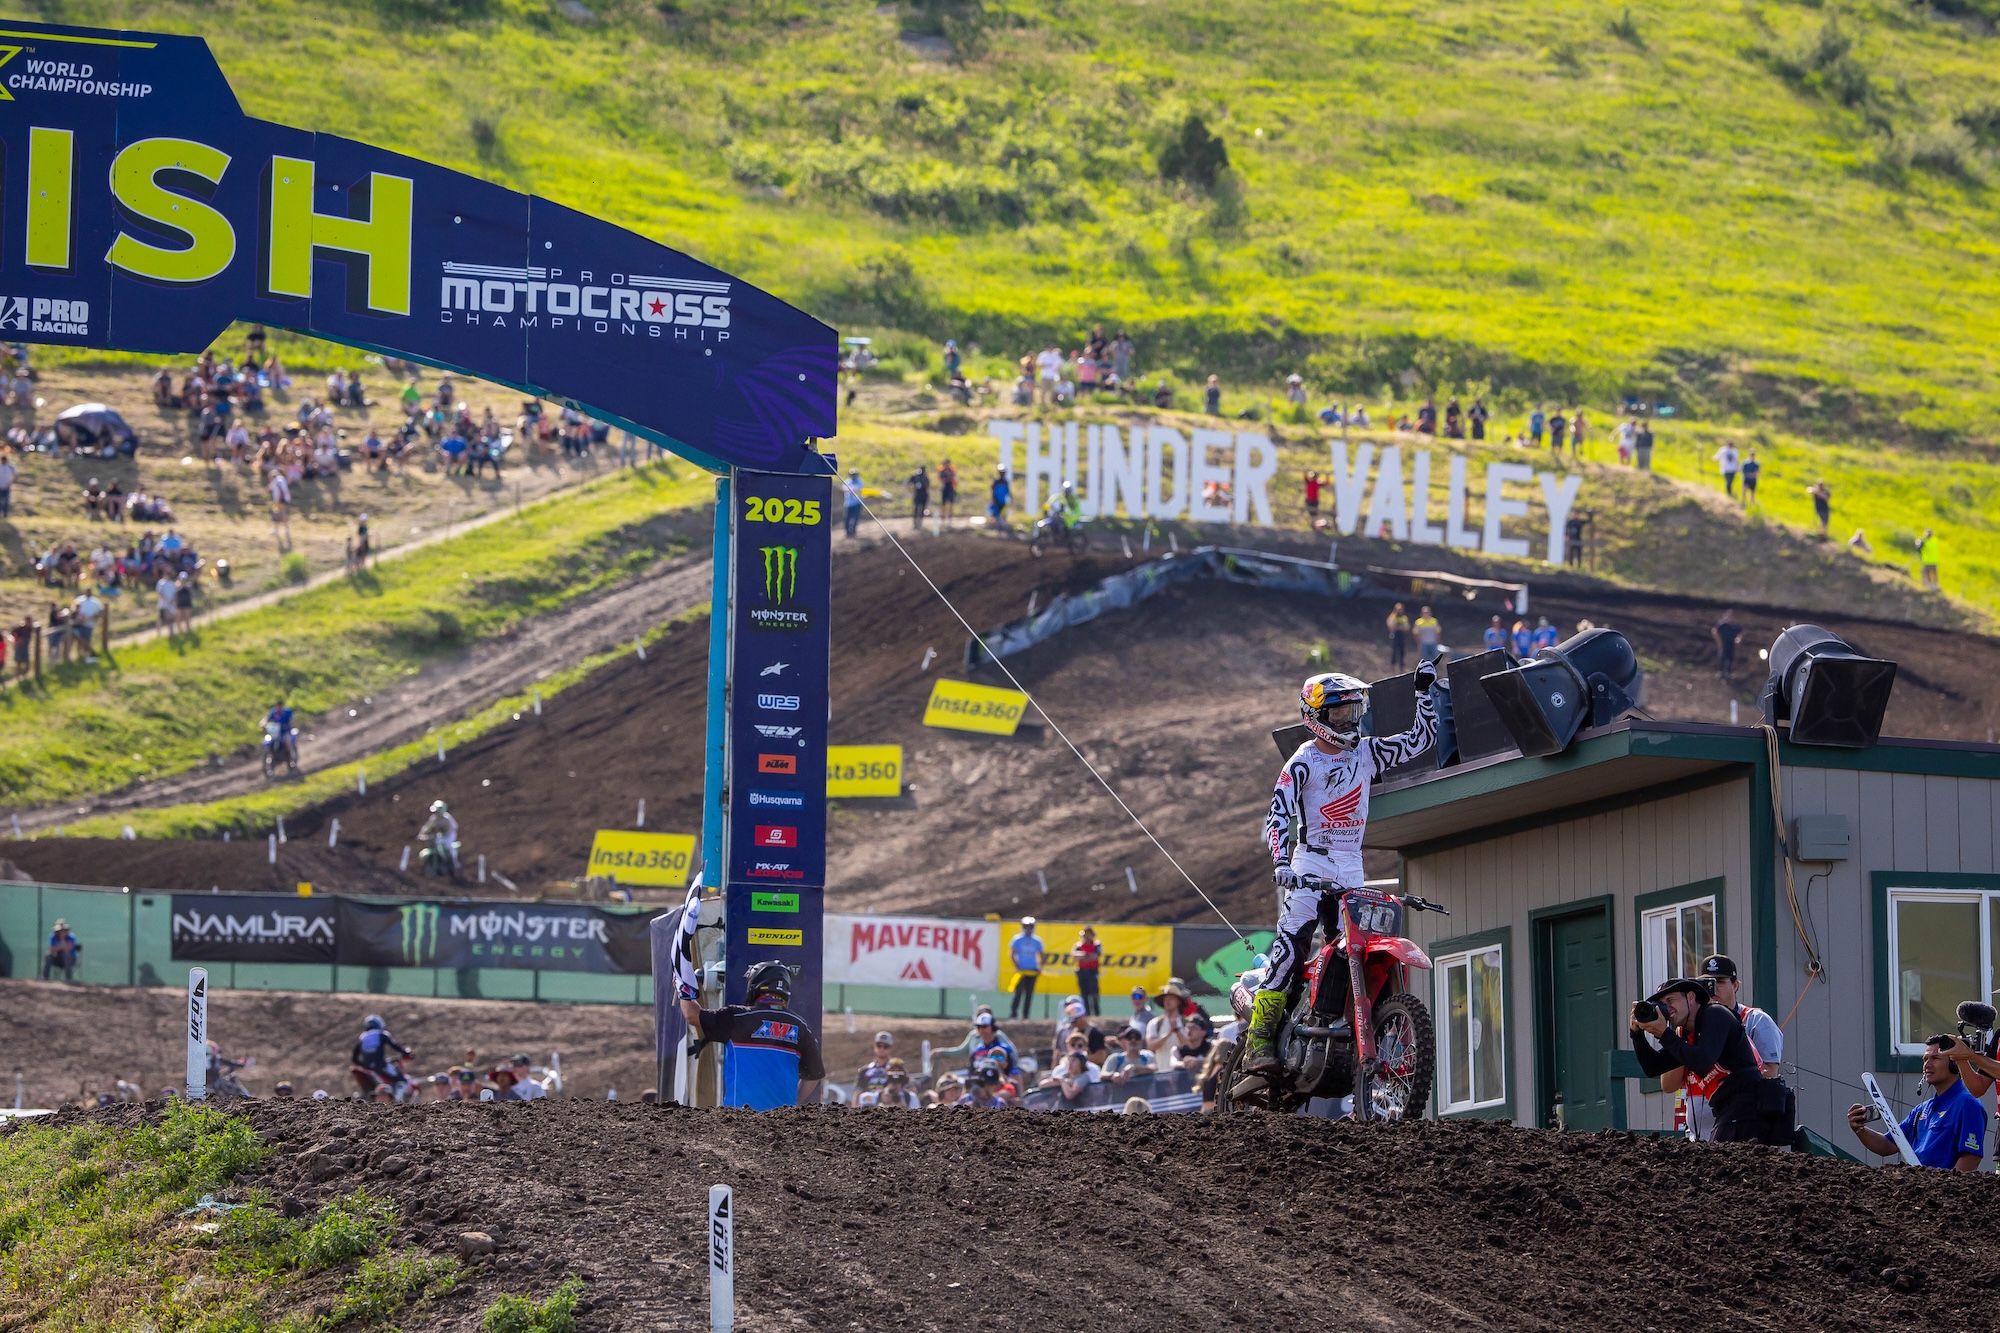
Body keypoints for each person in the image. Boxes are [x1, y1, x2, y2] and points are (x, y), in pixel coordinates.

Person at [1238, 662, 1439, 1087]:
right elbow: (1277, 815)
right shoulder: (1303, 761)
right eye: (1340, 713)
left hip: (1351, 864)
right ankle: (1260, 1038)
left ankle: (1350, 1032)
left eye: (1353, 711)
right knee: (1291, 947)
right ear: (1316, 716)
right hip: (1309, 861)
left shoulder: (1367, 752)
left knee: (1352, 950)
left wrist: (1423, 693)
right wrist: (1281, 864)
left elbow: (1421, 741)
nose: (1349, 720)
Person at [1677, 954, 1793, 1145]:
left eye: (1720, 982)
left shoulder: (1756, 1020)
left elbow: (1769, 1074)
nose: (1713, 989)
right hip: (1698, 1136)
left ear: (1736, 985)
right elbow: (1669, 1084)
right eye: (1707, 983)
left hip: (1741, 1130)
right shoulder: (1689, 1027)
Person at [1629, 978, 1763, 1142]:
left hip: (1748, 1104)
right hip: (1728, 1108)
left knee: (1719, 1156)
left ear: (1691, 997)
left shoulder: (1715, 1014)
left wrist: (1664, 1034)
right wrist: (1636, 1035)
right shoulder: (1686, 1033)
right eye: (1661, 1004)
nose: (1666, 1008)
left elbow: (1702, 1062)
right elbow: (1653, 1067)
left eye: (1670, 1000)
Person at [681, 960, 825, 1110]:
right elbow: (814, 1075)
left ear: (754, 986)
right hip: (783, 1120)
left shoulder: (736, 1017)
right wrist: (793, 1104)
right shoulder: (800, 1026)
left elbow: (691, 1014)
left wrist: (682, 987)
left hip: (739, 1118)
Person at [1848, 1035, 1983, 1171]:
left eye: (1935, 1058)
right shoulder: (1922, 1109)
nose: (1927, 1065)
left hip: (1943, 1184)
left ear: (1954, 1064)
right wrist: (1860, 1129)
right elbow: (1887, 1144)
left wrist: (1943, 1184)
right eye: (1925, 1059)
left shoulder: (1968, 1104)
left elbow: (1971, 1158)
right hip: (1918, 1182)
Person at [351, 1015, 413, 1097]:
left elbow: (354, 1058)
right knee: (401, 1080)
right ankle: (398, 1101)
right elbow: (395, 1046)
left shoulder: (362, 1037)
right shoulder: (381, 1034)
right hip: (381, 1066)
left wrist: (365, 1065)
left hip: (367, 1068)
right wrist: (406, 1052)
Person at [1009, 917, 1042, 1019]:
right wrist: (1017, 965)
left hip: (1032, 971)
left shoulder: (1037, 941)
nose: (1028, 929)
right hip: (1021, 971)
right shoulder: (1017, 939)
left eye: (1031, 927)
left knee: (1029, 994)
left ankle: (1025, 1016)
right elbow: (1012, 954)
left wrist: (1039, 967)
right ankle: (1013, 1014)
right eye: (1026, 926)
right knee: (1018, 993)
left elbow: (1041, 955)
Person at [418, 799, 460, 878]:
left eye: (437, 811)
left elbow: (454, 827)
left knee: (449, 847)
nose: (435, 813)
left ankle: (453, 863)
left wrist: (446, 832)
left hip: (449, 835)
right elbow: (427, 827)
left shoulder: (447, 818)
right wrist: (422, 834)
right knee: (435, 843)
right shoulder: (434, 818)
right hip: (440, 835)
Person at [1071, 925, 1103, 1016]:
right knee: (1084, 994)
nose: (1087, 937)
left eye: (1089, 935)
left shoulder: (1096, 945)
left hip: (1092, 971)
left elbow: (1095, 956)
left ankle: (1096, 1014)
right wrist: (1086, 955)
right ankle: (1086, 1014)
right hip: (1082, 971)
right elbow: (1074, 956)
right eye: (1085, 935)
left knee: (1094, 994)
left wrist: (1083, 956)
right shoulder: (1078, 945)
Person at [264, 699, 298, 769]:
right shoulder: (273, 712)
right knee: (268, 741)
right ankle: (271, 754)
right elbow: (267, 719)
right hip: (275, 733)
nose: (279, 708)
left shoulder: (287, 712)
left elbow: (292, 719)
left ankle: (289, 757)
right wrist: (263, 724)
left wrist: (289, 724)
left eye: (280, 706)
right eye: (277, 706)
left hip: (285, 732)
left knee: (287, 742)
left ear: (282, 706)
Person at [1712, 611, 1742, 679]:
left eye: (1731, 617)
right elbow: (1714, 631)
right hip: (1723, 644)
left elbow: (1740, 634)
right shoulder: (1722, 625)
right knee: (1722, 658)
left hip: (1731, 645)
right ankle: (1720, 672)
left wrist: (1738, 639)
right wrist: (1719, 641)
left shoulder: (1735, 626)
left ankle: (1728, 672)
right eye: (1728, 617)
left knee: (1730, 658)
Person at [1385, 603, 1410, 670]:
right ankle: (1392, 665)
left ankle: (1401, 665)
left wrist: (1399, 627)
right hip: (1395, 635)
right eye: (1398, 609)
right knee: (1394, 650)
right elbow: (1390, 625)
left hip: (1402, 636)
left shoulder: (1404, 618)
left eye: (1400, 609)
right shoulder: (1392, 616)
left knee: (1402, 650)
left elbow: (1406, 627)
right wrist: (1398, 626)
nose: (1399, 611)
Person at [906, 465, 930, 530]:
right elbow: (908, 483)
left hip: (923, 495)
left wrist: (911, 491)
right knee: (916, 510)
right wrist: (911, 491)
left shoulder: (925, 477)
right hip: (918, 495)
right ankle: (916, 524)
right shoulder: (916, 476)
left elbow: (927, 488)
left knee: (920, 510)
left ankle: (919, 524)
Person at [988, 468, 1011, 532]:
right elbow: (993, 490)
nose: (1002, 474)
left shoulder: (1005, 482)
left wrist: (1011, 498)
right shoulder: (996, 481)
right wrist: (993, 499)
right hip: (996, 500)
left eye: (1003, 473)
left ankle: (1001, 527)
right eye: (1001, 472)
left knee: (1002, 514)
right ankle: (996, 527)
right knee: (995, 514)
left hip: (1003, 501)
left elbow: (1008, 491)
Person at [842, 469, 863, 539]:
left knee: (855, 518)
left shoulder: (859, 481)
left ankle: (853, 531)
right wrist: (851, 489)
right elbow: (844, 488)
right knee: (846, 518)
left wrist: (852, 489)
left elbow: (858, 488)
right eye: (852, 475)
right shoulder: (847, 481)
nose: (854, 476)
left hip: (857, 503)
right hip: (848, 504)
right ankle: (847, 532)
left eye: (855, 474)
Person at [937, 458, 957, 523]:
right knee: (943, 504)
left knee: (951, 504)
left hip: (951, 488)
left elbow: (954, 478)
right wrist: (947, 479)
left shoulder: (951, 470)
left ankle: (950, 518)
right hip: (945, 487)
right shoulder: (942, 471)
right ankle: (943, 518)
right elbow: (941, 479)